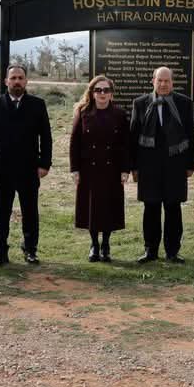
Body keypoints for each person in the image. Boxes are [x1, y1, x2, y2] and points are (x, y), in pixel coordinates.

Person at [0, 65, 52, 266]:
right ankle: (0, 251)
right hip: (3, 168)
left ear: (26, 81)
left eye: (20, 78)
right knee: (2, 213)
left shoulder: (37, 105)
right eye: (13, 78)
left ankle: (30, 249)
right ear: (6, 81)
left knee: (30, 212)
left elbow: (46, 137)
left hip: (29, 168)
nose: (17, 82)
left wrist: (44, 163)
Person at [129, 66, 194, 264]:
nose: (163, 84)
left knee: (173, 208)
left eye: (167, 81)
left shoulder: (184, 103)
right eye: (160, 80)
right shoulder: (140, 104)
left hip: (175, 165)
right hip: (148, 166)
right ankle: (150, 251)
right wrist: (134, 166)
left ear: (172, 82)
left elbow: (190, 135)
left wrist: (190, 164)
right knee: (150, 208)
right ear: (153, 81)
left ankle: (172, 252)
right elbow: (133, 136)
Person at [70, 75, 129, 262]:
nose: (102, 93)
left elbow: (125, 145)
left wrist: (125, 169)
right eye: (98, 90)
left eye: (106, 90)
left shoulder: (120, 114)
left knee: (109, 207)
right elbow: (75, 143)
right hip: (89, 169)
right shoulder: (83, 112)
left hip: (112, 169)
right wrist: (75, 169)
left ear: (111, 94)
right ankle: (94, 244)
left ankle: (106, 245)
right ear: (92, 93)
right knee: (92, 208)